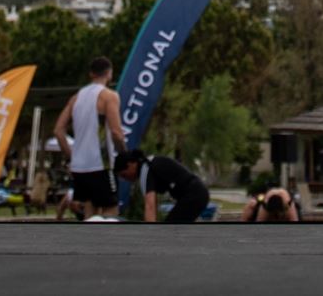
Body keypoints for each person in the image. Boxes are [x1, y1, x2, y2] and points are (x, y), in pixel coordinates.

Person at [53, 56, 126, 219]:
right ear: (109, 73)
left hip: (79, 167)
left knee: (89, 212)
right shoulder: (109, 96)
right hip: (101, 165)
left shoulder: (75, 98)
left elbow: (58, 130)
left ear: (91, 74)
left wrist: (72, 156)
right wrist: (124, 154)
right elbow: (116, 132)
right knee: (110, 211)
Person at [115, 148, 209, 225]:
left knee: (168, 232)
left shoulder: (145, 170)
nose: (125, 179)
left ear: (130, 165)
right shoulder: (149, 163)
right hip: (198, 192)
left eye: (124, 175)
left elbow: (150, 206)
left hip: (193, 194)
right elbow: (154, 203)